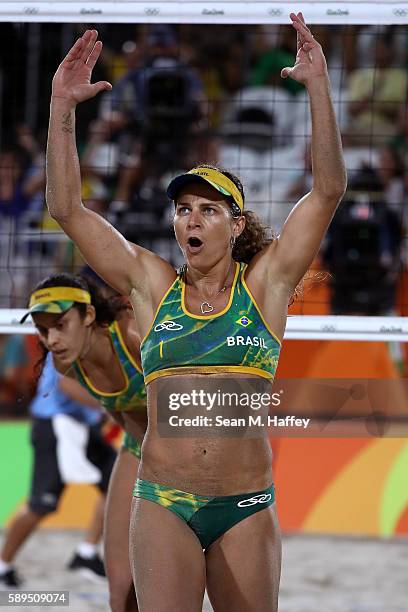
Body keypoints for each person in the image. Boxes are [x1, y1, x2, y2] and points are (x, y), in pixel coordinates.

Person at [46, 13, 346, 611]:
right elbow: (68, 209)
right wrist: (62, 111)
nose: (192, 219)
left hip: (245, 503)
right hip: (164, 501)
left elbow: (329, 190)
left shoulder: (266, 284)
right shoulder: (151, 285)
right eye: (184, 208)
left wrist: (318, 88)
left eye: (209, 210)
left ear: (236, 226)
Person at [20, 273, 146, 612]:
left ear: (88, 316)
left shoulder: (133, 334)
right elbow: (118, 413)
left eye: (61, 324)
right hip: (141, 449)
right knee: (120, 591)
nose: (52, 339)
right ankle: (78, 553)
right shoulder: (67, 365)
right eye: (43, 331)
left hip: (194, 448)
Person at [0, 353, 114, 587]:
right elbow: (66, 384)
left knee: (116, 483)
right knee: (41, 505)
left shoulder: (102, 332)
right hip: (55, 426)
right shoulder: (68, 333)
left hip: (84, 423)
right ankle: (3, 565)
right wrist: (109, 405)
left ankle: (86, 554)